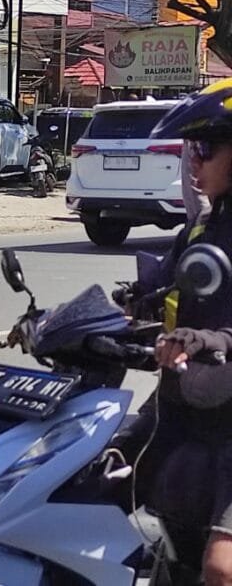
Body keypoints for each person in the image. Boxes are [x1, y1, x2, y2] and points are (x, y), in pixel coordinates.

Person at [115, 78, 232, 585]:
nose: (193, 161)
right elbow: (159, 289)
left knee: (220, 568)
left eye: (205, 148)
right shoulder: (203, 229)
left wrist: (205, 341)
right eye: (191, 148)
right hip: (183, 406)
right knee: (91, 482)